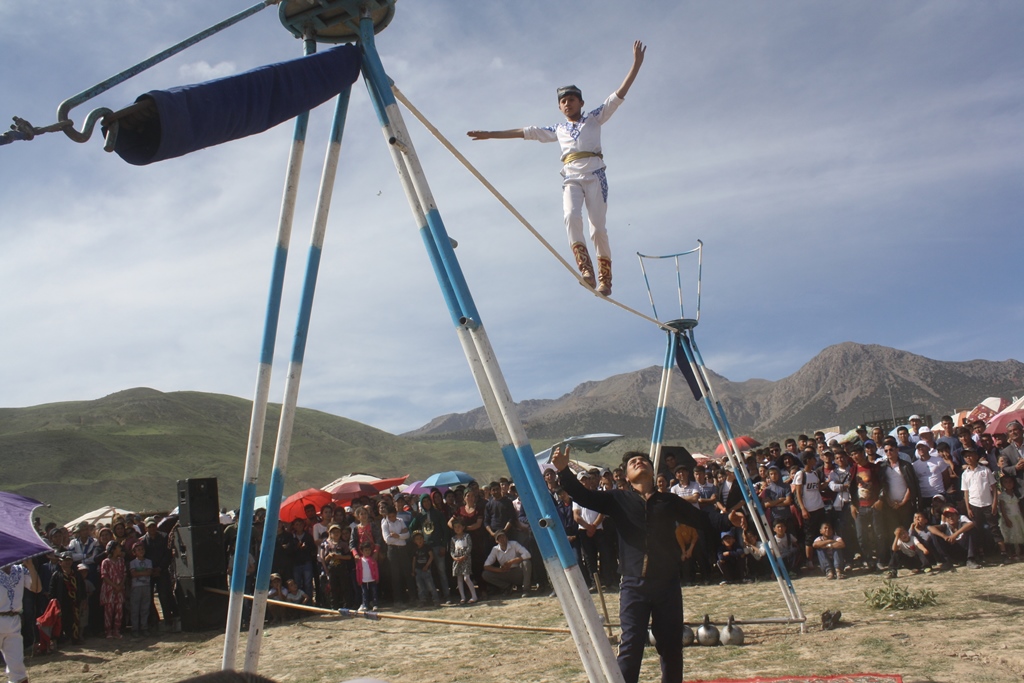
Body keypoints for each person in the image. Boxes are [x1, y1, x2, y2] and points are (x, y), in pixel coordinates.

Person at [466, 41, 647, 296]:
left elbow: (618, 95)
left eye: (571, 99)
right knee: (571, 217)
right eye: (563, 101)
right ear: (559, 107)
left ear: (581, 102)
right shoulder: (558, 129)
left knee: (597, 229)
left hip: (595, 175)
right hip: (571, 176)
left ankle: (605, 279)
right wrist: (490, 134)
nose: (567, 104)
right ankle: (586, 269)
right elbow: (526, 132)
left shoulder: (594, 118)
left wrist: (636, 64)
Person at [554, 446, 737, 683]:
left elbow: (703, 519)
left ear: (652, 470)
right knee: (631, 645)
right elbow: (584, 497)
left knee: (671, 646)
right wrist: (564, 471)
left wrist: (727, 519)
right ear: (626, 476)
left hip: (667, 584)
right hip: (633, 585)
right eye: (633, 462)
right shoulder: (617, 499)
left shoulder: (668, 501)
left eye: (644, 461)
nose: (639, 462)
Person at [1, 558, 41, 683]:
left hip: (14, 620)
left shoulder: (20, 570)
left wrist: (31, 567)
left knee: (17, 666)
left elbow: (37, 588)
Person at [480, 529, 532, 597]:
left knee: (527, 563)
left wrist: (512, 561)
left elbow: (528, 554)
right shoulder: (495, 549)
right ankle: (507, 587)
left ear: (507, 538)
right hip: (505, 572)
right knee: (485, 574)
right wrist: (500, 570)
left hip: (517, 572)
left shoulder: (514, 544)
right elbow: (486, 566)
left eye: (503, 537)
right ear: (496, 541)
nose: (502, 539)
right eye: (499, 538)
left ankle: (526, 589)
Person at [99, 540, 126, 639]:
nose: (120, 549)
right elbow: (104, 576)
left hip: (119, 589)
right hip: (109, 590)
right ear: (113, 549)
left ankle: (116, 630)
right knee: (109, 611)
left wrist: (120, 585)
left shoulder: (121, 561)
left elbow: (124, 574)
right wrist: (114, 586)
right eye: (118, 547)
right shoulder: (105, 562)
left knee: (119, 611)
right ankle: (108, 631)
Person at [449, 519, 477, 605]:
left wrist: (464, 556)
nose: (457, 529)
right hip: (457, 560)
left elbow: (469, 547)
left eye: (459, 527)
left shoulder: (466, 536)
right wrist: (454, 557)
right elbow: (451, 550)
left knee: (466, 578)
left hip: (466, 559)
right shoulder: (453, 539)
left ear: (463, 527)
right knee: (459, 578)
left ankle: (474, 596)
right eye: (455, 527)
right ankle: (462, 597)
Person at [409, 531, 440, 608]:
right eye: (417, 539)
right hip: (418, 570)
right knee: (420, 587)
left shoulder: (427, 547)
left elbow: (431, 556)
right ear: (414, 541)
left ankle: (436, 600)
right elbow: (414, 560)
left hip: (426, 570)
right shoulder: (415, 549)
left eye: (420, 538)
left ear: (423, 539)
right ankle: (423, 600)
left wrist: (427, 566)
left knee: (430, 586)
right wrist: (413, 570)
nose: (419, 540)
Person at [128, 543, 152, 637]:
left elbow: (149, 572)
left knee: (145, 608)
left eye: (142, 549)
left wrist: (139, 572)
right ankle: (135, 628)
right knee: (135, 608)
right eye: (138, 550)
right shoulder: (133, 563)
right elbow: (133, 574)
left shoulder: (149, 561)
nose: (141, 551)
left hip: (146, 586)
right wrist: (144, 572)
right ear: (134, 552)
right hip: (136, 587)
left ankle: (144, 627)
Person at [354, 542, 379, 613]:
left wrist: (377, 578)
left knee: (374, 592)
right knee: (364, 593)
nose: (367, 552)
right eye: (365, 550)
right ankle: (365, 605)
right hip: (363, 580)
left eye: (369, 550)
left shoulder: (372, 559)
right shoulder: (359, 561)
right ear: (362, 551)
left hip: (372, 579)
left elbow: (376, 569)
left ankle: (375, 604)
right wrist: (358, 580)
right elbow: (358, 571)